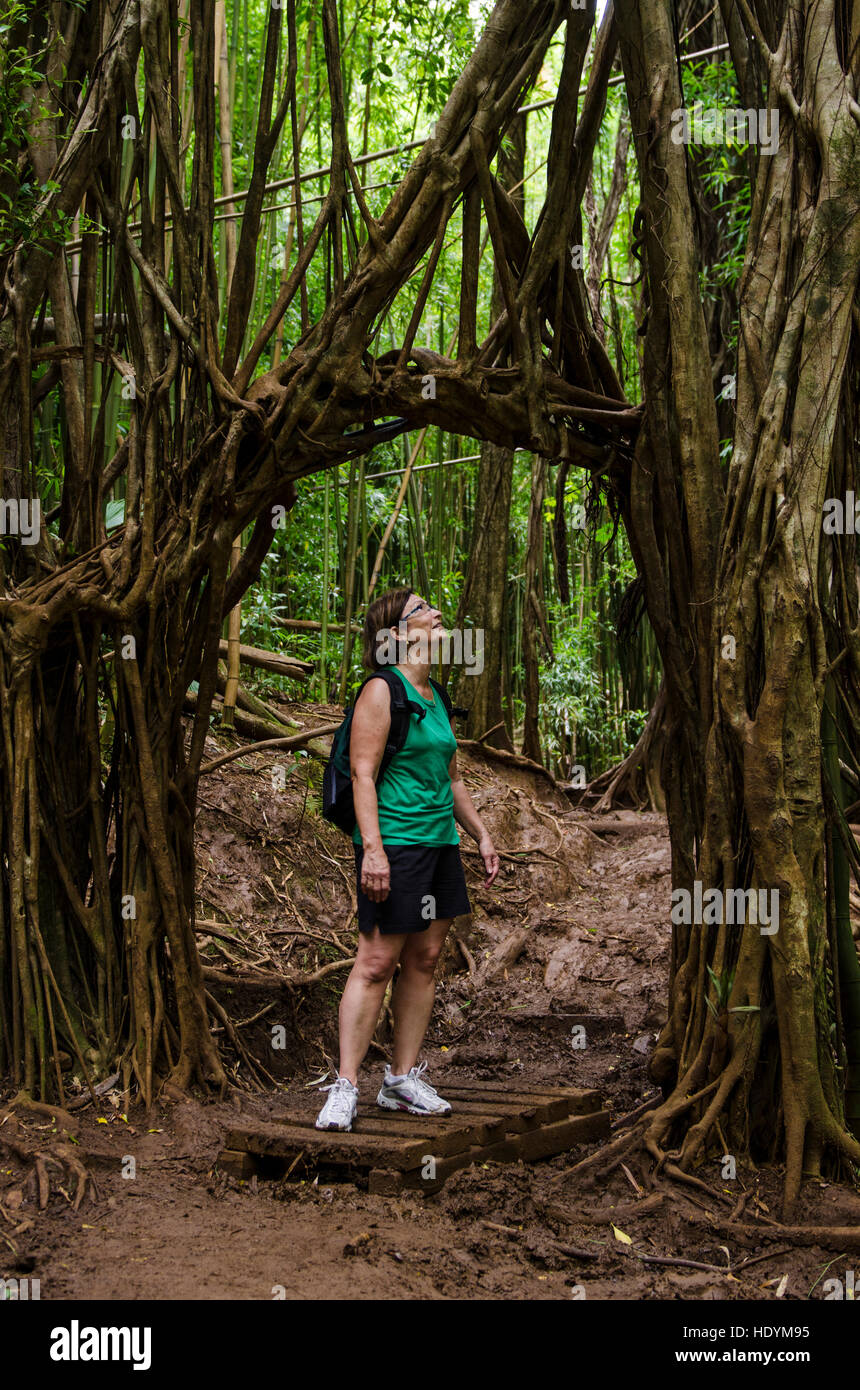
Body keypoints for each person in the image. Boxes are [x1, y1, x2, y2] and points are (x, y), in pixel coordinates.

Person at [316, 587, 500, 1130]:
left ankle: (400, 1080)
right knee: (375, 962)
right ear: (394, 635)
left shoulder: (434, 694)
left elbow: (452, 776)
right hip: (395, 842)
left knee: (424, 959)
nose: (437, 612)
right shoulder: (381, 690)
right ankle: (345, 1084)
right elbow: (363, 773)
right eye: (422, 610)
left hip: (439, 843)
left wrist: (481, 835)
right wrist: (372, 849)